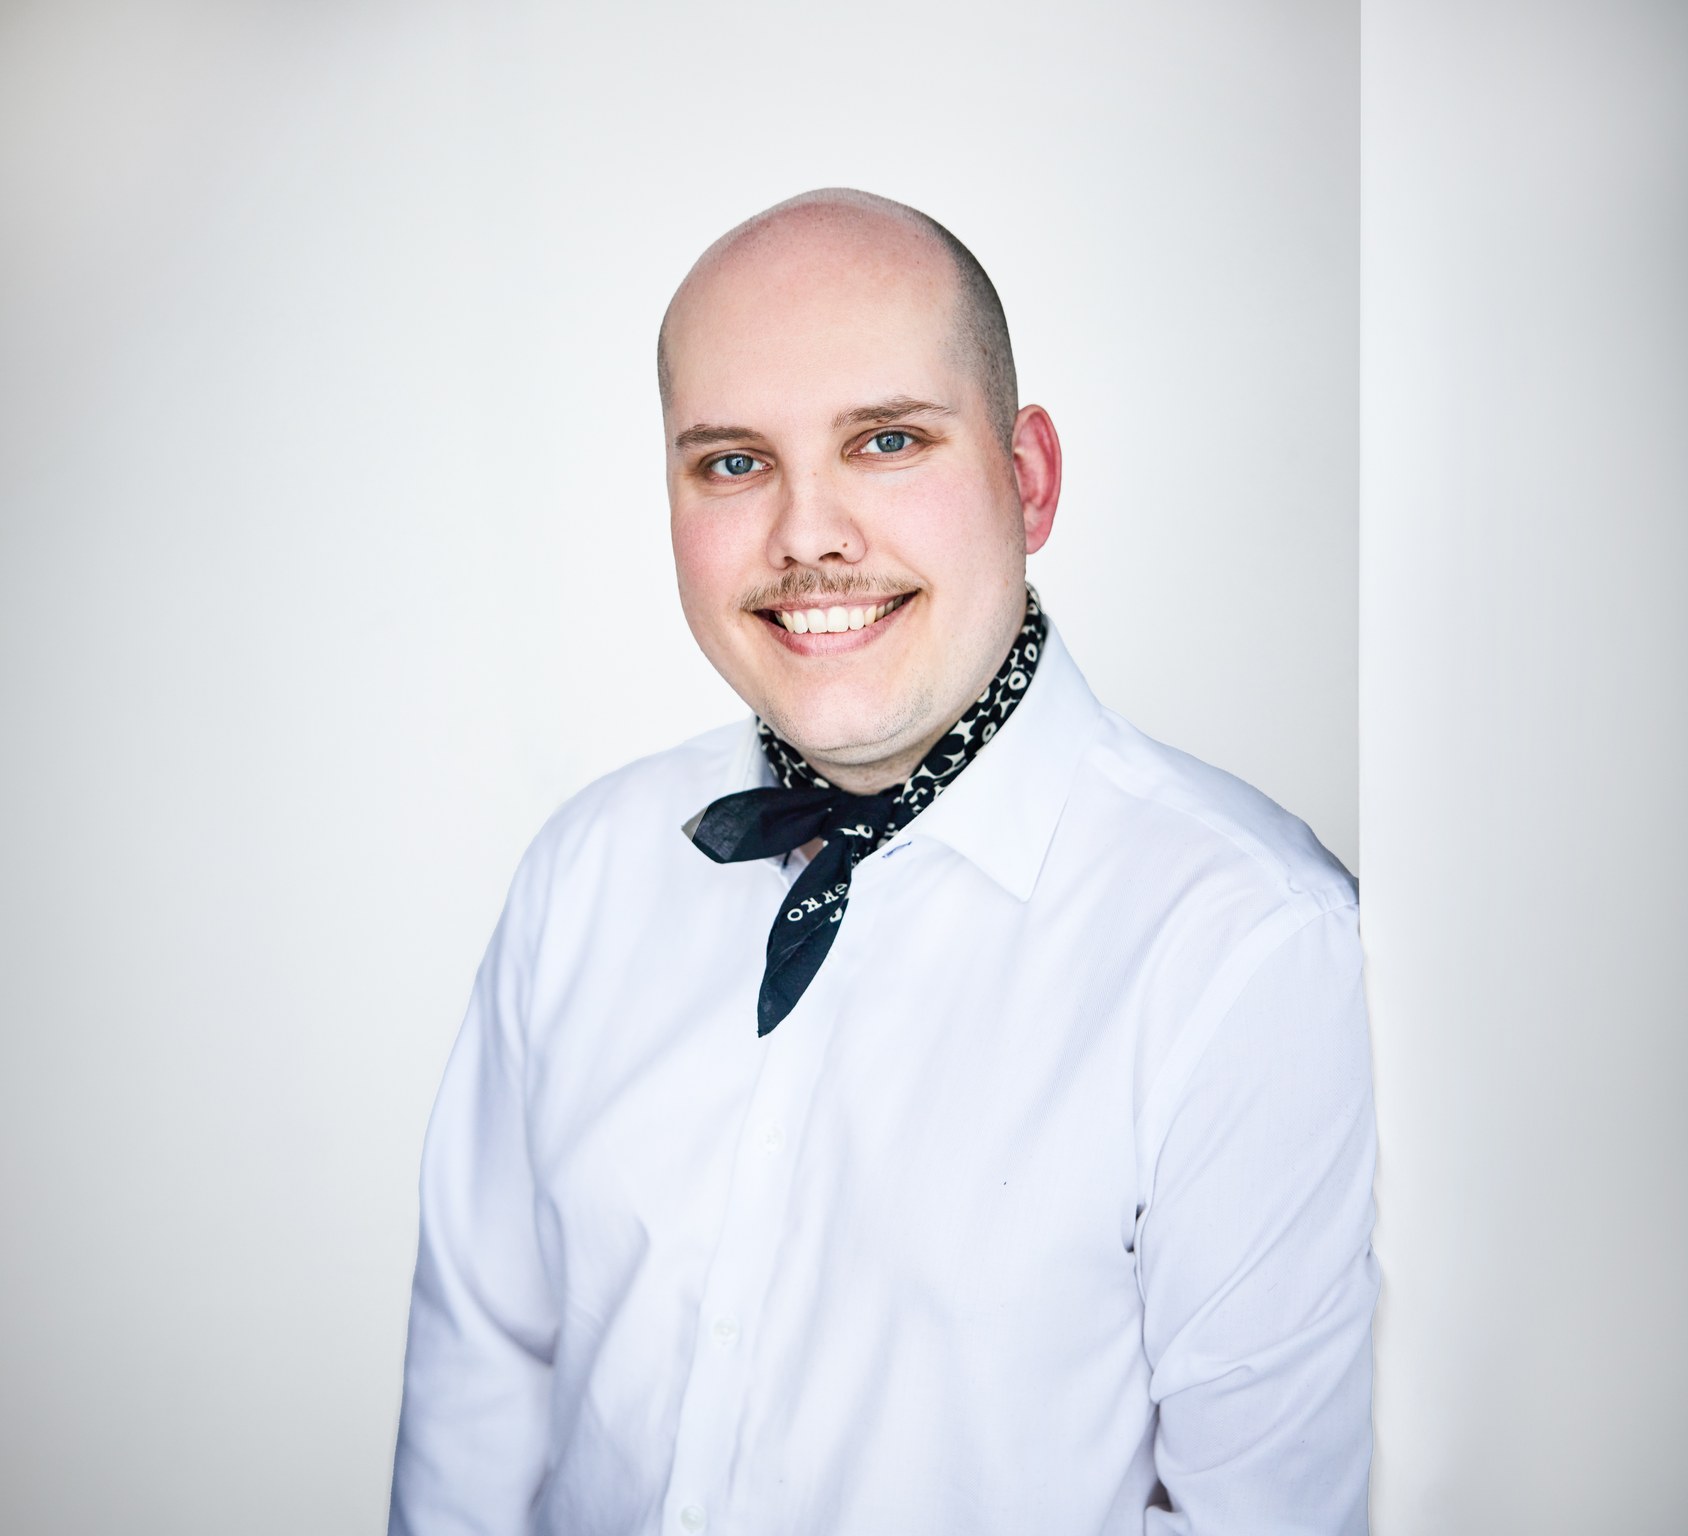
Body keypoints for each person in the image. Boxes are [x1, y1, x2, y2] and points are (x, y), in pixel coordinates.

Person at [389, 188, 1378, 1536]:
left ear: (1028, 479)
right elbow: (475, 1411)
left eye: (889, 441)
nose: (808, 536)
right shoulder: (583, 876)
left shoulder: (1251, 949)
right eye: (733, 464)